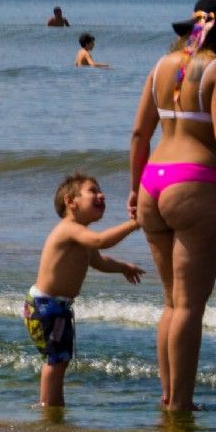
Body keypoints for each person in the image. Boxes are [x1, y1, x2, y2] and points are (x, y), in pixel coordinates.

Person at [129, 0, 216, 412]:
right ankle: (181, 405)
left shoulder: (159, 68)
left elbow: (139, 135)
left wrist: (135, 189)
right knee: (189, 306)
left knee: (171, 303)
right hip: (195, 185)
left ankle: (169, 395)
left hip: (154, 183)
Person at [26, 172, 144, 407]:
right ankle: (49, 408)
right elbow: (100, 241)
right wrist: (134, 224)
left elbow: (99, 260)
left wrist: (122, 267)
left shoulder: (81, 236)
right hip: (46, 306)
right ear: (71, 202)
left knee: (60, 359)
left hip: (56, 307)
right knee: (55, 360)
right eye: (93, 191)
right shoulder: (69, 229)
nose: (101, 195)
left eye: (100, 191)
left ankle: (53, 404)